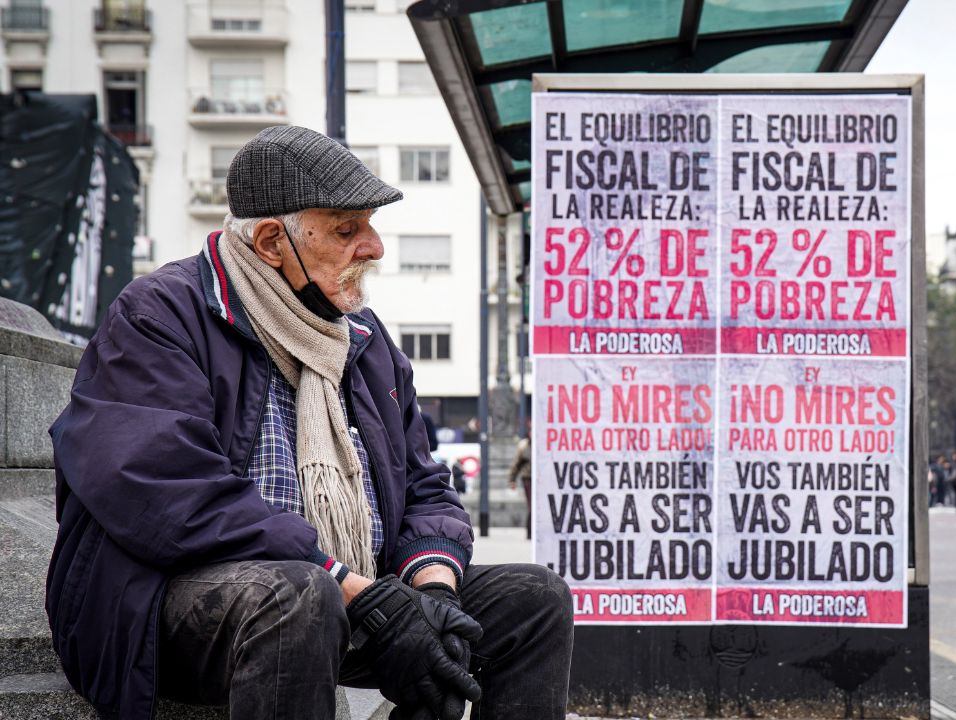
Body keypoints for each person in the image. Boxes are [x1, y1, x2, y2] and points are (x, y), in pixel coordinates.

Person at [45, 127, 573, 720]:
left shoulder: (364, 341)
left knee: (534, 599)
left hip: (348, 591)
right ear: (273, 241)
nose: (374, 247)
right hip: (169, 603)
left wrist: (430, 598)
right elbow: (169, 493)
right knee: (299, 593)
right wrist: (354, 587)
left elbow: (426, 487)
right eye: (348, 229)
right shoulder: (159, 315)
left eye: (369, 225)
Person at [508, 435, 533, 538]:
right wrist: (512, 480)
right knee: (532, 506)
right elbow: (516, 464)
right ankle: (530, 532)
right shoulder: (524, 446)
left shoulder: (545, 443)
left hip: (542, 478)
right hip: (529, 478)